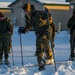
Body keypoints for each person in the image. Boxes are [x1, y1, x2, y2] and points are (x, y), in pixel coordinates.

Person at [18, 3, 56, 71]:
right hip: (38, 33)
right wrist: (24, 30)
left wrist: (48, 14)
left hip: (46, 30)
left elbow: (49, 19)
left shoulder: (38, 13)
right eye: (24, 10)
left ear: (30, 9)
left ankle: (50, 57)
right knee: (38, 48)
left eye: (26, 9)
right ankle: (41, 64)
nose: (26, 11)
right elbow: (29, 26)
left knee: (43, 39)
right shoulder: (27, 17)